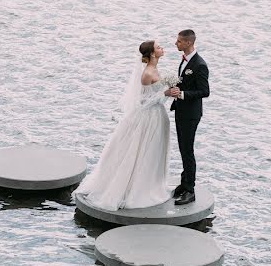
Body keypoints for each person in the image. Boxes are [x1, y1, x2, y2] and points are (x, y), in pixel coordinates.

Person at [73, 40, 174, 211]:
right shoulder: (147, 73)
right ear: (151, 54)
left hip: (158, 115)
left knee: (154, 152)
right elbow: (142, 102)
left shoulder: (155, 69)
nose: (162, 48)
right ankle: (137, 189)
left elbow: (154, 96)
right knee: (143, 152)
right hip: (149, 118)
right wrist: (165, 92)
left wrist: (167, 93)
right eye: (158, 47)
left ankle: (152, 183)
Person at [166, 29, 209, 205]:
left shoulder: (199, 65)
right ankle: (184, 184)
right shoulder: (184, 60)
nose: (176, 44)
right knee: (183, 148)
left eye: (179, 41)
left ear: (188, 43)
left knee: (188, 150)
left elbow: (204, 92)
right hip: (181, 111)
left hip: (190, 114)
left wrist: (182, 94)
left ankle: (190, 189)